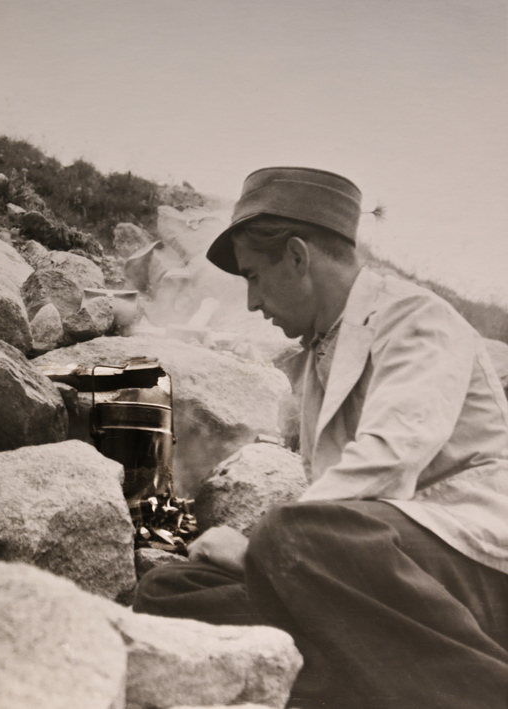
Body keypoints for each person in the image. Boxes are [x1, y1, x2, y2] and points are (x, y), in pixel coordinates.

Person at [132, 167, 508, 709]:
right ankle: (371, 683)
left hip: (469, 565)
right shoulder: (316, 355)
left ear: (298, 257)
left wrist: (258, 547)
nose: (253, 303)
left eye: (254, 277)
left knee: (291, 537)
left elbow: (391, 459)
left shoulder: (416, 317)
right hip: (374, 580)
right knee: (170, 592)